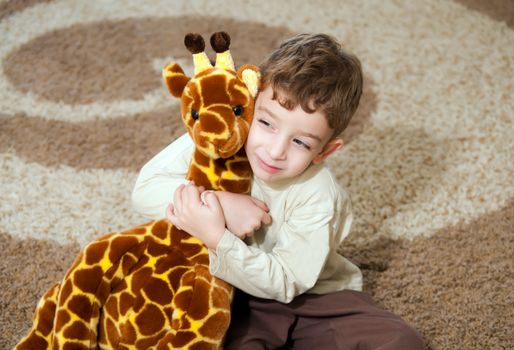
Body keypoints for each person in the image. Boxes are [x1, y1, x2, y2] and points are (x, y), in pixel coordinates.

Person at [132, 33, 424, 349]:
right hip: (230, 291)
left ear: (324, 152)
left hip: (313, 299)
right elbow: (145, 190)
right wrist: (220, 203)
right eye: (267, 123)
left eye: (300, 142)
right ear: (248, 100)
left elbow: (286, 281)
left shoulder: (320, 195)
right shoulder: (223, 133)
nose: (275, 151)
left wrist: (218, 239)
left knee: (401, 341)